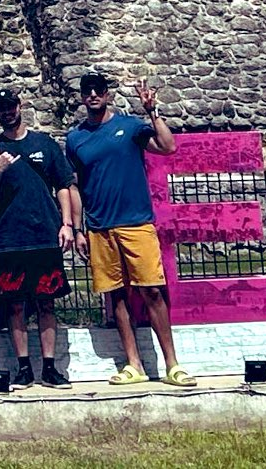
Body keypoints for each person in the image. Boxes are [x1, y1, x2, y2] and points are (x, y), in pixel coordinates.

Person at [65, 71, 192, 387]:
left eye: (98, 89)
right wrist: (78, 229)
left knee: (152, 291)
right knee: (117, 297)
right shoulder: (75, 138)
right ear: (82, 97)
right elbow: (75, 186)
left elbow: (167, 146)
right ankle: (133, 364)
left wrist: (152, 111)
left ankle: (172, 364)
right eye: (87, 90)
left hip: (136, 223)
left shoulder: (130, 126)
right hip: (99, 228)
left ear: (107, 94)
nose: (93, 95)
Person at [0, 89, 75, 388]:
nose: (7, 112)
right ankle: (23, 367)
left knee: (46, 303)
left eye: (10, 106)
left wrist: (67, 224)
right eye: (1, 108)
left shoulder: (44, 143)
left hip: (44, 236)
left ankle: (50, 368)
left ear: (20, 106)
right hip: (9, 239)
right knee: (14, 305)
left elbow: (64, 185)